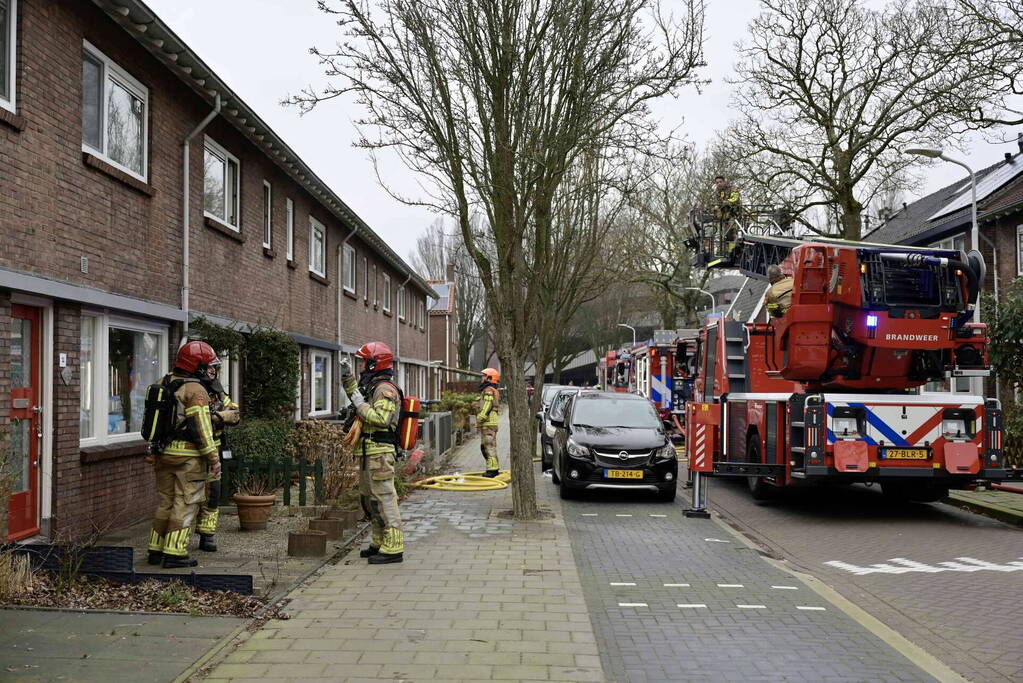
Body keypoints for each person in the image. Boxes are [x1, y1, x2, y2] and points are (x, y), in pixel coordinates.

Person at [147, 341, 237, 568]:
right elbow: (201, 428)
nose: (212, 371)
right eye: (208, 366)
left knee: (165, 502)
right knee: (185, 503)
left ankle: (155, 550)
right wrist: (213, 459)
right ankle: (175, 553)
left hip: (164, 453)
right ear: (196, 366)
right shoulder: (196, 390)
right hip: (189, 458)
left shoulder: (163, 383)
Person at [341, 342, 405, 564]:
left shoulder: (384, 389)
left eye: (363, 361)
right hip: (369, 452)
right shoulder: (373, 386)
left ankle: (395, 545)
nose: (360, 365)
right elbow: (357, 396)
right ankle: (379, 540)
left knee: (385, 498)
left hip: (380, 453)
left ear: (373, 364)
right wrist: (347, 379)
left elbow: (381, 419)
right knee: (370, 500)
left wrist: (359, 404)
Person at [194, 373, 239, 553]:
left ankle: (207, 535)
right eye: (209, 366)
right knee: (189, 496)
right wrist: (220, 417)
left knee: (214, 493)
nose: (212, 370)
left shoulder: (217, 390)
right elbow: (197, 420)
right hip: (192, 451)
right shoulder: (191, 389)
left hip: (215, 449)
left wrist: (221, 416)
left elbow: (235, 415)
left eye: (215, 367)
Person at [477, 368, 501, 477]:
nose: (482, 378)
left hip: (488, 423)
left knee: (488, 446)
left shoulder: (488, 390)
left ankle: (492, 471)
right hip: (491, 423)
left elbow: (488, 405)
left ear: (489, 378)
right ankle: (493, 468)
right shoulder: (491, 389)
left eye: (484, 376)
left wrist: (480, 418)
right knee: (486, 446)